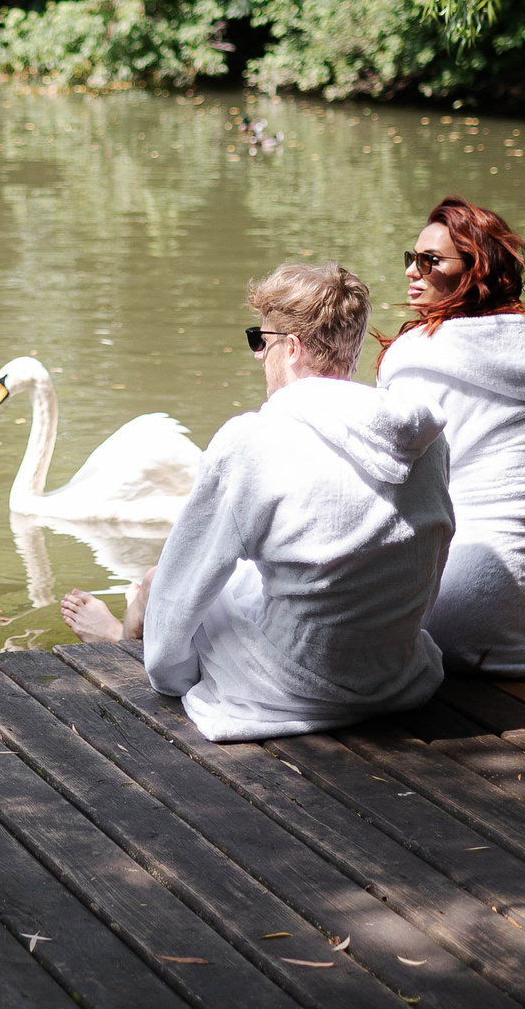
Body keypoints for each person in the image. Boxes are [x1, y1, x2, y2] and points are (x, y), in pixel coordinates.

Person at [60, 263, 454, 742]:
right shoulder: (425, 441)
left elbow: (181, 600)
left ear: (291, 348)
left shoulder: (253, 443)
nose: (256, 355)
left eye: (259, 339)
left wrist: (169, 678)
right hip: (396, 679)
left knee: (161, 580)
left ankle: (120, 636)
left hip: (291, 687)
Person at [378, 197, 525, 676]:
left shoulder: (420, 359)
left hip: (477, 607)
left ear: (475, 270)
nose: (412, 272)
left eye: (430, 261)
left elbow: (391, 493)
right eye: (411, 258)